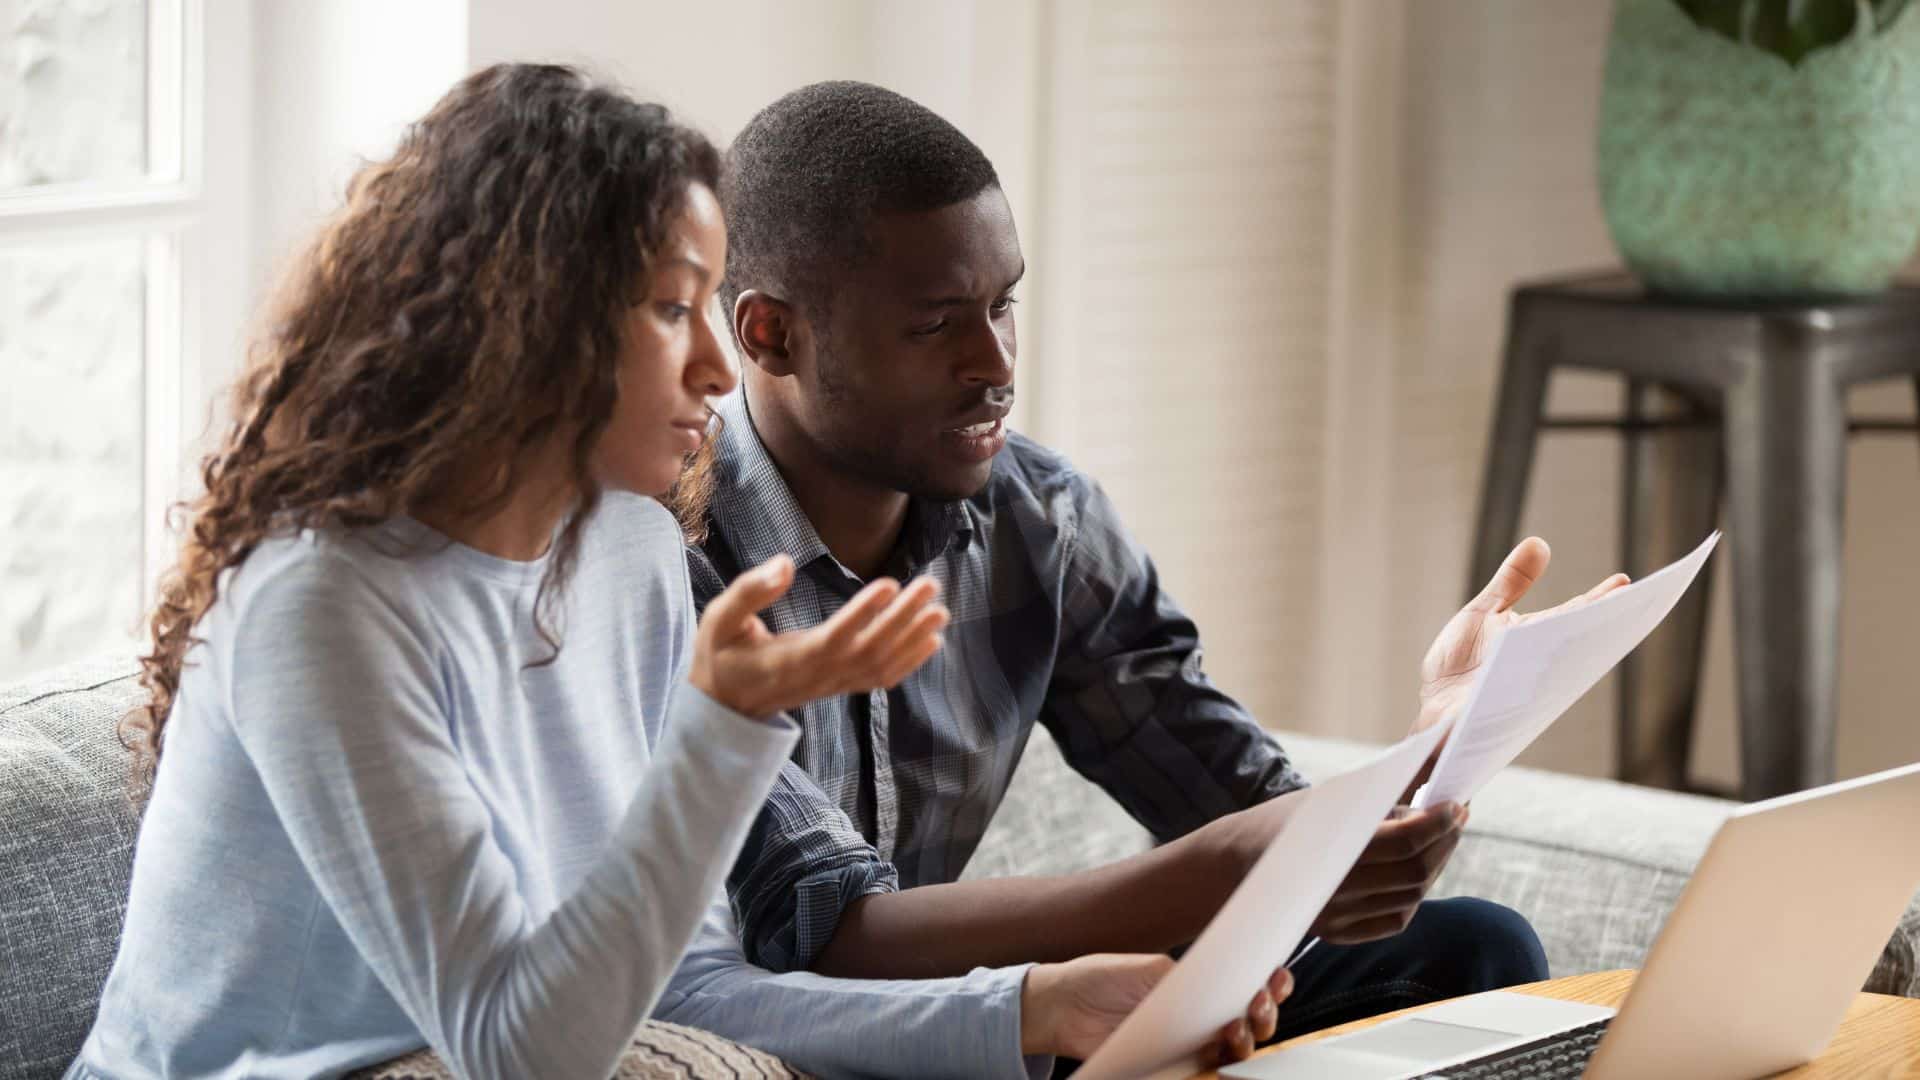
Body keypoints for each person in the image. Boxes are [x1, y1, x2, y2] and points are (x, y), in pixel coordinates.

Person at [660, 80, 1631, 1071]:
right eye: (934, 325)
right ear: (769, 334)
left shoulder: (1038, 518)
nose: (994, 362)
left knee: (1473, 950)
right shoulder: (670, 560)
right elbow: (821, 934)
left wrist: (1445, 736)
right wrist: (1231, 867)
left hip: (1010, 1023)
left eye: (1004, 306)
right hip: (801, 1046)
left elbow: (1249, 812)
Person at [66, 64, 969, 1079]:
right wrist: (721, 730)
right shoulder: (320, 605)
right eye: (674, 308)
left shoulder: (629, 553)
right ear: (533, 315)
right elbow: (522, 1056)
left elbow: (682, 994)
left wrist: (1024, 1010)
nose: (720, 370)